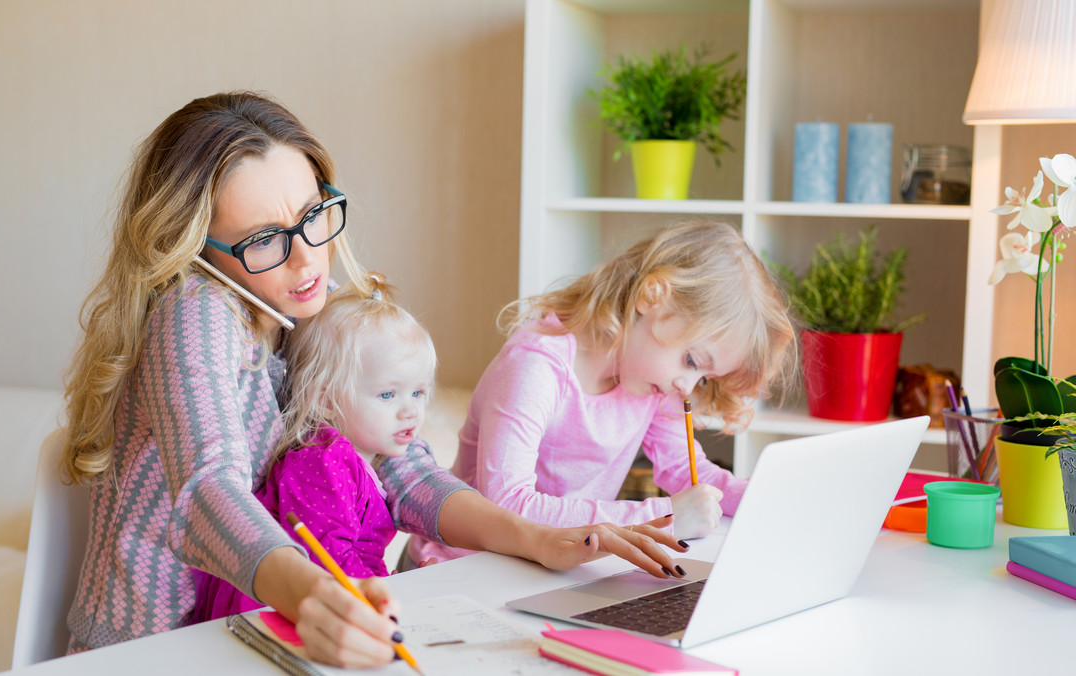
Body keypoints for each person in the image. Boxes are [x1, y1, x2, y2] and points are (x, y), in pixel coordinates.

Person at [60, 90, 687, 669]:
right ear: (198, 251)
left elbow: (404, 469)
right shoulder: (194, 310)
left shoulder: (306, 302)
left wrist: (540, 538)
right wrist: (311, 596)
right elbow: (207, 490)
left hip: (246, 631)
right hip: (155, 649)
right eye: (263, 242)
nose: (307, 260)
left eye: (313, 217)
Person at [407, 222, 797, 567]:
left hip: (555, 564)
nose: (688, 387)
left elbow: (689, 472)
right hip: (460, 566)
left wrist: (765, 497)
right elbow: (507, 506)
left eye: (705, 378)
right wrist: (661, 516)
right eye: (692, 360)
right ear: (652, 297)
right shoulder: (538, 365)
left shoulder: (650, 381)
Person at [191, 275, 440, 622]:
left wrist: (394, 586)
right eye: (388, 394)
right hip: (266, 614)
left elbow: (359, 558)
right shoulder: (323, 460)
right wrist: (390, 594)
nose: (410, 410)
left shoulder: (360, 460)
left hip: (326, 602)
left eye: (418, 393)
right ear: (323, 399)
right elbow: (331, 561)